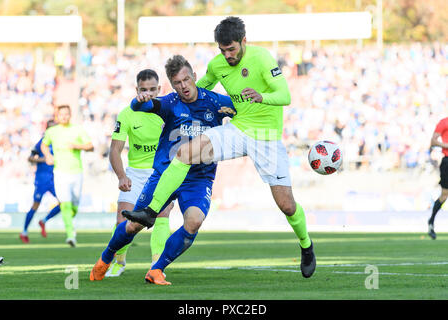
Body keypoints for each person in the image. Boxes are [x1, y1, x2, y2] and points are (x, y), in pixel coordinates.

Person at [123, 16, 316, 278]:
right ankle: (150, 211)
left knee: (287, 205)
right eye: (222, 50)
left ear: (243, 41)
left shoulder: (262, 58)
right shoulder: (218, 64)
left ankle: (306, 244)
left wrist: (263, 97)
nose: (227, 55)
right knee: (185, 152)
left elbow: (285, 95)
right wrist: (170, 103)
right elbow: (199, 88)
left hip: (266, 136)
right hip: (237, 129)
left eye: (232, 49)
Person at [90, 55, 236, 284]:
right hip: (165, 175)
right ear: (171, 85)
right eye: (177, 83)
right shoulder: (169, 103)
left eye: (187, 80)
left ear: (194, 77)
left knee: (194, 221)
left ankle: (157, 269)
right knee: (134, 225)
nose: (183, 86)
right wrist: (139, 100)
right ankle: (106, 258)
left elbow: (246, 112)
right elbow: (142, 105)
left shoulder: (217, 102)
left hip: (199, 179)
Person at [106, 69, 173, 277]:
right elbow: (115, 150)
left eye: (153, 89)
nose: (149, 94)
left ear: (159, 89)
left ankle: (156, 267)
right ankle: (120, 262)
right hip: (135, 173)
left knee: (162, 217)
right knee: (123, 221)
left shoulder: (168, 110)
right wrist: (121, 176)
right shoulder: (127, 113)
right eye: (144, 90)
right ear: (137, 90)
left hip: (161, 172)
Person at [41, 105, 94, 247]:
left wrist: (78, 146)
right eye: (61, 114)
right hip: (60, 172)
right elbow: (44, 145)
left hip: (77, 172)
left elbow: (90, 146)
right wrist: (48, 156)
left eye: (66, 114)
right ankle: (70, 235)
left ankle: (69, 223)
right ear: (57, 116)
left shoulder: (78, 129)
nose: (64, 116)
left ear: (70, 115)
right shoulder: (52, 131)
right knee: (65, 203)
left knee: (74, 205)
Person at [19, 119, 61, 243]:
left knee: (63, 203)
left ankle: (44, 221)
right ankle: (24, 231)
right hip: (42, 180)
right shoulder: (41, 143)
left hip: (54, 179)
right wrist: (44, 159)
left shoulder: (59, 143)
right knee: (35, 205)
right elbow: (30, 158)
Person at [428, 117, 448, 240]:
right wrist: (446, 145)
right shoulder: (444, 122)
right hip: (447, 161)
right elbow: (433, 142)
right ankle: (431, 222)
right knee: (444, 195)